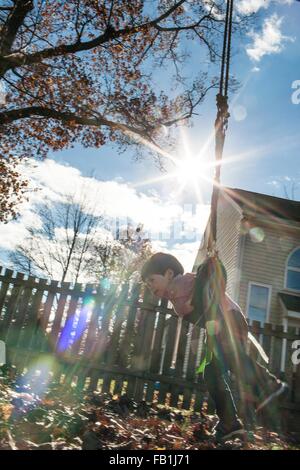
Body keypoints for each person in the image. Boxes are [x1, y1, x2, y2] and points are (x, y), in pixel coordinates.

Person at [141, 252, 288, 442]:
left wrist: (211, 264)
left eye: (152, 279)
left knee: (229, 354)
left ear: (169, 274)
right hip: (216, 329)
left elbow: (213, 283)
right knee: (211, 372)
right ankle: (229, 423)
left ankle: (269, 385)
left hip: (229, 318)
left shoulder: (186, 282)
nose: (150, 286)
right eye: (147, 284)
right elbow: (197, 317)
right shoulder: (175, 299)